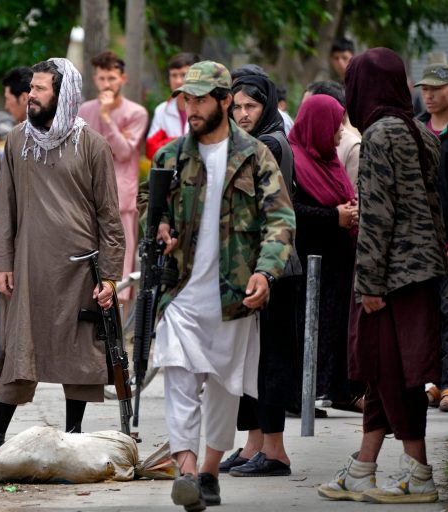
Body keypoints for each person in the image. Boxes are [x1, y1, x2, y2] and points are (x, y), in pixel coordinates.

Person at [143, 61, 295, 509]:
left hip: (233, 295)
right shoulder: (170, 156)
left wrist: (266, 272)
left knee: (225, 389)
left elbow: (281, 220)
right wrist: (162, 227)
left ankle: (208, 471)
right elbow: (150, 205)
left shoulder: (255, 154)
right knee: (178, 378)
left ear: (225, 100)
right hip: (181, 293)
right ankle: (187, 468)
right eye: (187, 99)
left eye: (201, 98)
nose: (191, 107)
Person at [0, 58, 124, 477]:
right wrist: (0, 262)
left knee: (79, 361)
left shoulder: (93, 145)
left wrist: (109, 276)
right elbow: (5, 207)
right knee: (19, 355)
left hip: (78, 272)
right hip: (29, 270)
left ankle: (70, 442)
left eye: (39, 89)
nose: (30, 96)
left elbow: (110, 217)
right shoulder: (17, 141)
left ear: (63, 94)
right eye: (30, 89)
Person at [318, 48, 447, 504]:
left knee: (392, 373)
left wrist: (369, 283)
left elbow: (376, 216)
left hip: (390, 279)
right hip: (423, 273)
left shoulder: (378, 135)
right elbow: (435, 210)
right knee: (382, 370)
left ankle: (420, 472)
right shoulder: (420, 132)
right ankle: (362, 468)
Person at [219, 73, 300, 478]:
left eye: (250, 106)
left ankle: (276, 451)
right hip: (252, 268)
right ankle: (254, 444)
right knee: (250, 359)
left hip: (273, 269)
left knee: (269, 360)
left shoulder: (270, 143)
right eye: (236, 106)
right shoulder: (250, 142)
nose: (242, 113)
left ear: (266, 106)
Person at [290, 94, 361, 415]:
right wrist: (335, 216)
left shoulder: (328, 158)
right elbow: (292, 210)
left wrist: (350, 211)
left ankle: (333, 390)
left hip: (337, 262)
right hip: (310, 262)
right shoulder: (293, 160)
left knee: (334, 326)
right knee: (311, 325)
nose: (339, 134)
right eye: (335, 126)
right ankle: (304, 394)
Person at [415, 64, 448, 414]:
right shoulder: (416, 128)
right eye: (425, 89)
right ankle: (432, 381)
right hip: (421, 238)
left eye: (437, 88)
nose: (429, 95)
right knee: (424, 312)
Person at [78, 51, 148, 301]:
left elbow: (124, 151)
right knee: (87, 271)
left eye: (111, 78)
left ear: (123, 79)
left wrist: (107, 117)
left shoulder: (136, 113)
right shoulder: (85, 110)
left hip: (121, 202)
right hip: (87, 200)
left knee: (121, 274)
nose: (106, 84)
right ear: (95, 80)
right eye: (101, 78)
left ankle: (119, 335)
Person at [303, 81, 362, 193]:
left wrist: (336, 211)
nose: (303, 114)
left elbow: (354, 199)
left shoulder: (352, 147)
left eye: (309, 108)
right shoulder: (299, 143)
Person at [146, 52, 201, 159]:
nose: (178, 81)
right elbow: (150, 150)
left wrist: (167, 142)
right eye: (174, 75)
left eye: (183, 75)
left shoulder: (206, 108)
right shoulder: (161, 110)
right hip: (170, 172)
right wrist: (179, 142)